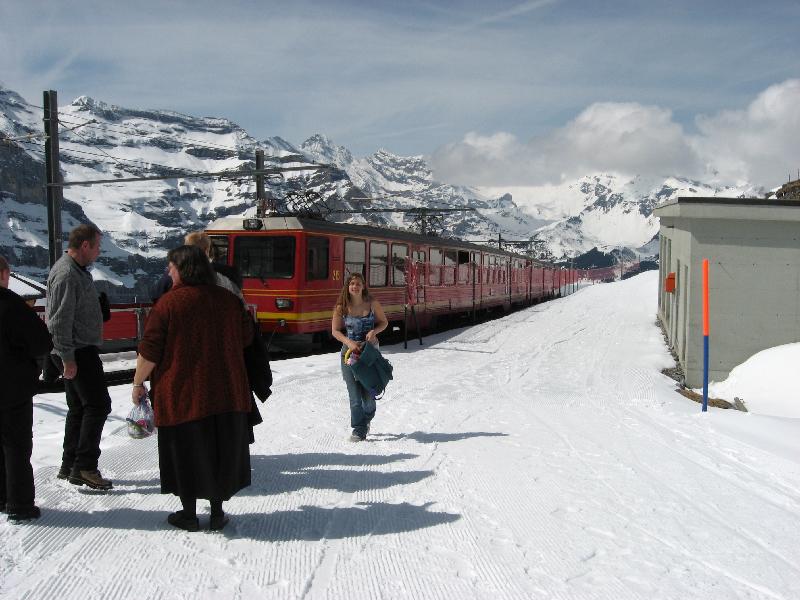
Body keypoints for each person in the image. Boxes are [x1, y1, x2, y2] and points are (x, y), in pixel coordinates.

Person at [131, 245, 253, 532]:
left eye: (170, 267)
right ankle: (217, 513)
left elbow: (150, 351)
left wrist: (138, 383)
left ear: (182, 269)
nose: (168, 272)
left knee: (185, 452)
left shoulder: (169, 304)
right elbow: (247, 336)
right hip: (226, 392)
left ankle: (188, 514)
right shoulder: (228, 300)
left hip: (183, 393)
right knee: (218, 451)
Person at [46, 224, 113, 490]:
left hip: (76, 349)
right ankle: (85, 467)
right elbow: (59, 321)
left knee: (79, 408)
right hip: (77, 351)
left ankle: (70, 463)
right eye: (96, 246)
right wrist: (67, 358)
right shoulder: (67, 275)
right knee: (98, 405)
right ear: (84, 245)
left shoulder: (75, 271)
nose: (98, 252)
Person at [0, 256, 52, 522]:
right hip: (12, 388)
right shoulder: (11, 305)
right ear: (4, 274)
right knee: (16, 446)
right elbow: (42, 343)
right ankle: (19, 504)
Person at [331, 273, 388, 442]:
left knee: (368, 397)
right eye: (352, 284)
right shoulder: (341, 306)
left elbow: (384, 322)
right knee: (354, 396)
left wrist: (373, 331)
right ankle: (358, 429)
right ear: (348, 287)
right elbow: (335, 331)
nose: (355, 286)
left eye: (358, 284)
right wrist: (348, 342)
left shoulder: (372, 303)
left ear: (363, 286)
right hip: (348, 354)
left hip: (368, 353)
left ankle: (368, 416)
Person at [151, 230, 242, 303]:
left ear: (186, 249)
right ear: (207, 250)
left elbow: (156, 296)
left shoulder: (176, 273)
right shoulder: (230, 274)